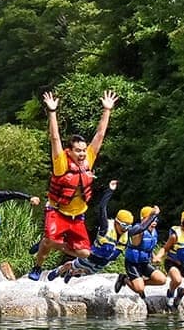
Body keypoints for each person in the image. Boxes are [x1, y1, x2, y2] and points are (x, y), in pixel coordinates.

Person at [28, 89, 118, 280]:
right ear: (70, 151)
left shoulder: (88, 161)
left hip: (78, 216)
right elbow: (55, 138)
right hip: (57, 211)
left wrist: (107, 110)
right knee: (51, 239)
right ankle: (37, 266)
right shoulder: (61, 163)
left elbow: (100, 136)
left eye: (84, 150)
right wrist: (52, 112)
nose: (82, 154)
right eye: (78, 151)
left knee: (85, 253)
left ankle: (49, 245)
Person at [45, 180, 159, 311]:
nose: (125, 229)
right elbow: (102, 208)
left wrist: (153, 215)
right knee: (73, 265)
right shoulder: (106, 227)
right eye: (123, 226)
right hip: (91, 257)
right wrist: (110, 190)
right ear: (116, 222)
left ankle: (71, 273)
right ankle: (59, 270)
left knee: (81, 274)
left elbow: (142, 227)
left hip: (103, 263)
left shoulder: (128, 232)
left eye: (128, 227)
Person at [122, 205, 167, 302]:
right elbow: (141, 227)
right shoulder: (137, 231)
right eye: (151, 220)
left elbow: (148, 248)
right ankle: (124, 279)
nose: (154, 222)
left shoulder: (154, 232)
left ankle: (140, 282)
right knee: (139, 289)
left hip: (144, 263)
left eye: (155, 220)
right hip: (132, 264)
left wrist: (154, 257)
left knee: (162, 280)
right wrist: (151, 215)